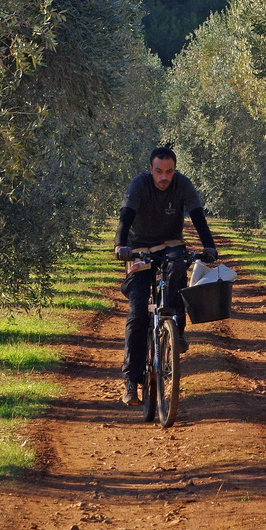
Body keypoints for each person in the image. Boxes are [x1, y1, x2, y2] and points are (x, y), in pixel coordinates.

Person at [113, 146, 218, 405]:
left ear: (175, 171)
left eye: (169, 172)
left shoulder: (182, 185)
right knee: (137, 312)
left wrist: (209, 246)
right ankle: (131, 380)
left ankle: (176, 331)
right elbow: (126, 216)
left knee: (178, 271)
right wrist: (120, 245)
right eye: (159, 172)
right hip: (138, 249)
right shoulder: (139, 185)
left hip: (171, 245)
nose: (164, 177)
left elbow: (197, 216)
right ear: (151, 170)